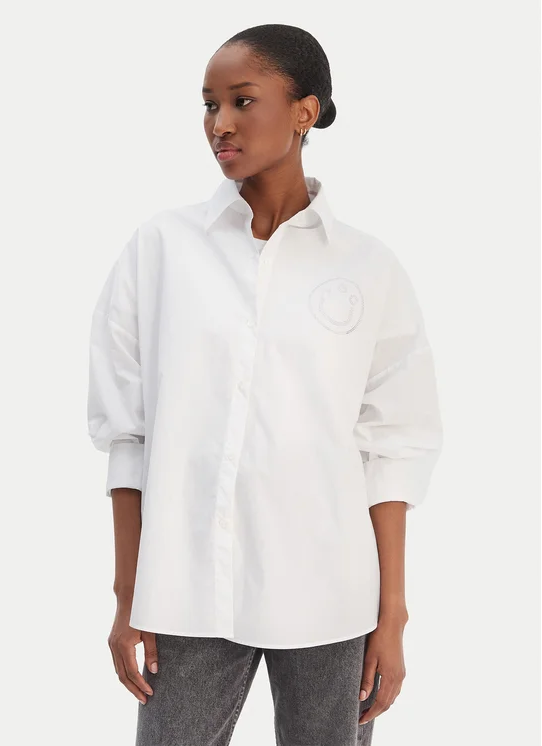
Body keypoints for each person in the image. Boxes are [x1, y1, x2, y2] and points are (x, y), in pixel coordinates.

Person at [87, 23, 443, 746]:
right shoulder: (162, 250)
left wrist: (392, 616)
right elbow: (128, 435)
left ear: (304, 112)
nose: (220, 123)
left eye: (242, 101)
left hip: (331, 598)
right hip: (186, 592)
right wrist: (128, 596)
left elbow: (392, 449)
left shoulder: (368, 268)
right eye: (209, 104)